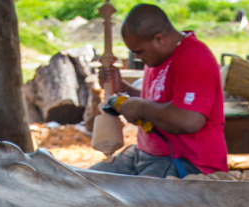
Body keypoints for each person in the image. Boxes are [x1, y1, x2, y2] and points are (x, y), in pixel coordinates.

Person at [90, 4, 227, 178]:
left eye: (139, 52)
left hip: (188, 163)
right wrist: (123, 89)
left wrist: (139, 107)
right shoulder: (158, 56)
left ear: (159, 39)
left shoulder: (194, 60)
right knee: (84, 183)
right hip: (146, 155)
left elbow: (188, 119)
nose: (138, 58)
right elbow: (158, 104)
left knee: (127, 199)